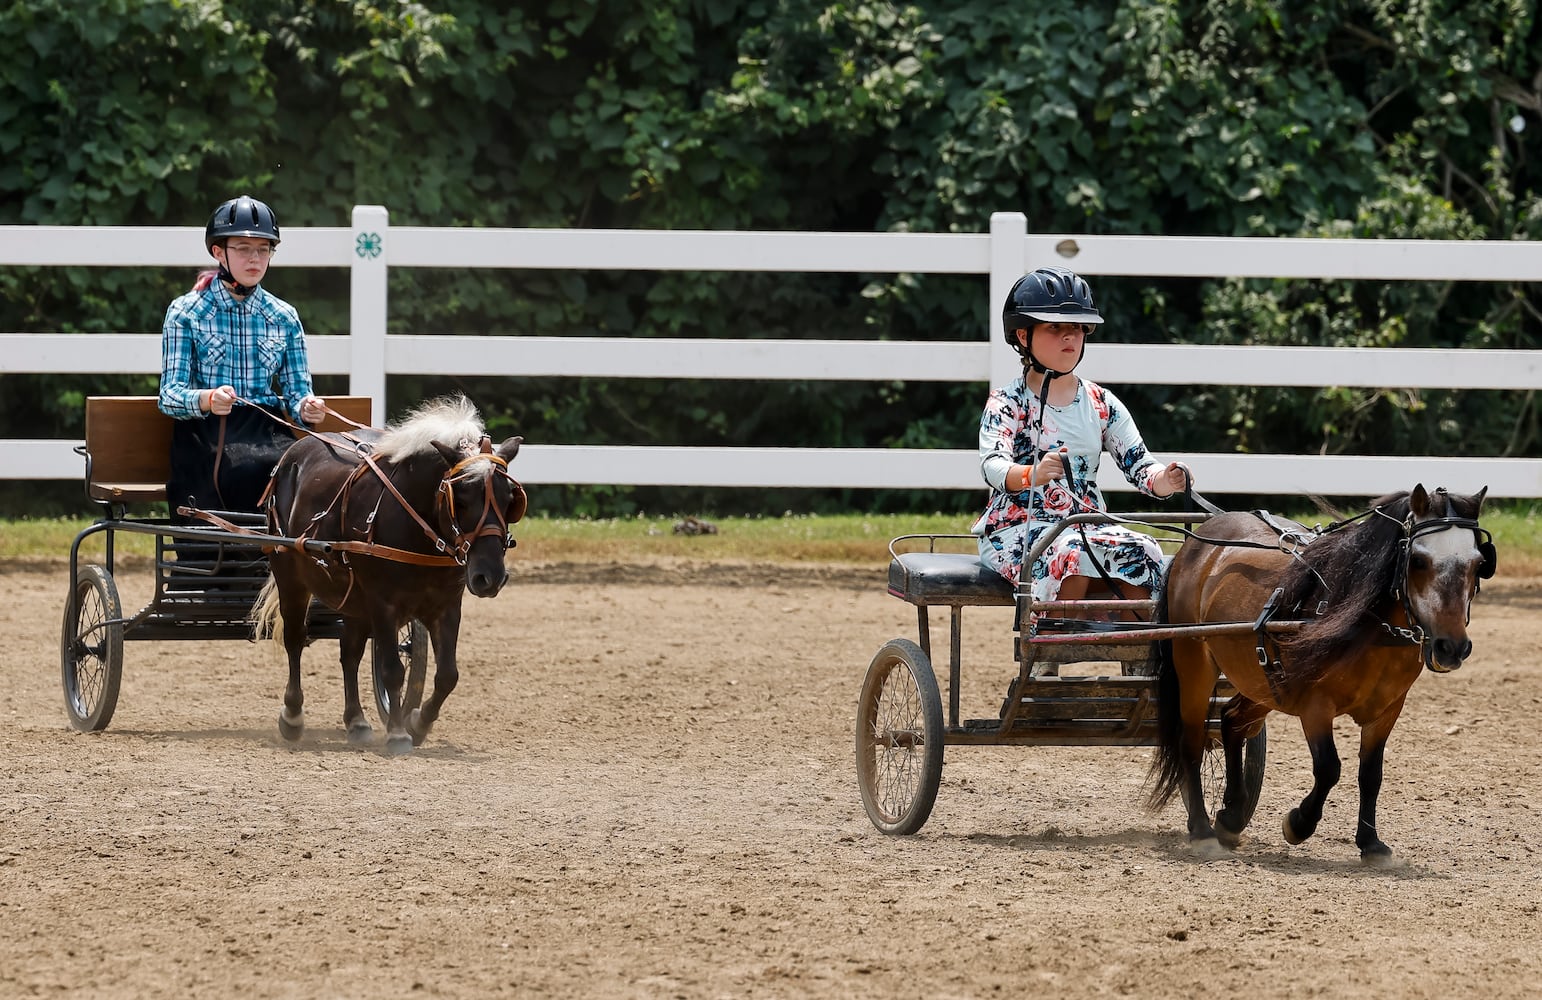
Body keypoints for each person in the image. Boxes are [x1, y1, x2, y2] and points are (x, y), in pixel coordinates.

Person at [972, 265, 1193, 632]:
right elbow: (992, 465)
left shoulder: (1102, 403)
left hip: (1084, 524)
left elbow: (1139, 465)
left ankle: (1139, 661)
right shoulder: (1008, 402)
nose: (1069, 338)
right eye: (1055, 328)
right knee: (1069, 553)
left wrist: (1166, 480)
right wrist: (1032, 473)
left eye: (1075, 328)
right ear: (1023, 336)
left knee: (1145, 550)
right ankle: (1048, 660)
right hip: (1017, 528)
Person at [158, 195, 326, 519]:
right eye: (244, 249)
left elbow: (297, 392)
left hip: (264, 429)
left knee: (295, 467)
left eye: (264, 249)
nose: (255, 258)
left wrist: (306, 407)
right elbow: (169, 395)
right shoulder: (186, 313)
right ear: (218, 252)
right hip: (207, 434)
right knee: (248, 469)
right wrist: (207, 399)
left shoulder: (284, 316)